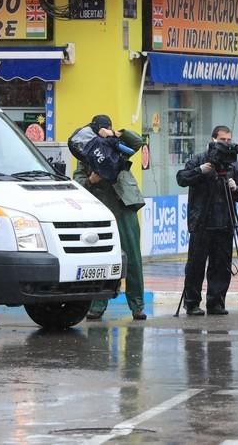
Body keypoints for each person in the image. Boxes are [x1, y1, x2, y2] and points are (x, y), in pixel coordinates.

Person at [73, 114, 147, 321]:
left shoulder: (118, 143)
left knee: (132, 257)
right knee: (102, 257)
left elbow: (137, 142)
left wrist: (114, 134)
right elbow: (78, 180)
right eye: (101, 129)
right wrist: (91, 179)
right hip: (102, 208)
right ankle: (98, 305)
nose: (103, 133)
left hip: (124, 205)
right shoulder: (86, 150)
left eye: (107, 128)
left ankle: (137, 306)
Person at [176, 125, 238, 315]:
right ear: (213, 139)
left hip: (225, 221)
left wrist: (235, 187)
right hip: (202, 222)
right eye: (223, 140)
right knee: (196, 264)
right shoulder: (200, 159)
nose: (226, 144)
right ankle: (192, 303)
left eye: (229, 140)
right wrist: (200, 170)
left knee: (221, 265)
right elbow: (181, 178)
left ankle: (216, 303)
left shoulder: (233, 164)